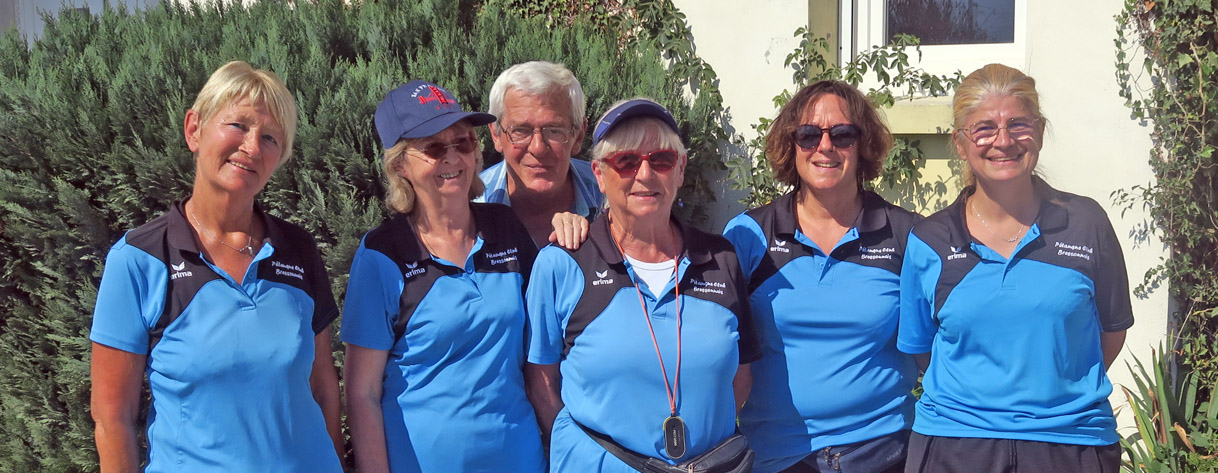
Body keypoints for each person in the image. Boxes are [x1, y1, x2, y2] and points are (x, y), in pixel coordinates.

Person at [89, 61, 343, 472]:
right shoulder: (138, 259)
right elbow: (112, 417)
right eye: (238, 126)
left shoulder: (297, 248)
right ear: (194, 129)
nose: (252, 146)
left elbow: (322, 387)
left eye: (271, 138)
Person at [898, 63, 1132, 473]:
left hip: (1071, 444)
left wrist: (1055, 387)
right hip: (956, 446)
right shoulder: (929, 241)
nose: (1003, 141)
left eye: (1018, 124)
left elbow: (1111, 332)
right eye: (984, 128)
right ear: (960, 142)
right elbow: (922, 349)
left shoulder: (1086, 222)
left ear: (1039, 132)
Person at [525, 98, 760, 472]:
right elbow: (541, 381)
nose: (645, 174)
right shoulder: (562, 263)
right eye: (627, 161)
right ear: (599, 174)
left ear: (680, 170)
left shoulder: (720, 258)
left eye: (661, 160)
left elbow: (740, 377)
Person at [341, 80, 545, 473]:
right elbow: (362, 393)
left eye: (464, 143)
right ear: (400, 164)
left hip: (520, 461)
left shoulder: (504, 226)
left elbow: (546, 340)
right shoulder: (382, 254)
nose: (454, 158)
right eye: (434, 148)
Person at [722, 81, 919, 473]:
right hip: (776, 457)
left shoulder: (906, 236)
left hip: (883, 454)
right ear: (790, 145)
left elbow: (939, 351)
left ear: (863, 145)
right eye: (809, 135)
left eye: (842, 134)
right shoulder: (748, 236)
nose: (825, 147)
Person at [478, 60, 602, 246]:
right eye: (520, 130)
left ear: (578, 135)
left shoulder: (609, 197)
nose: (538, 148)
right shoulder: (469, 208)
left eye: (554, 130)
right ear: (496, 135)